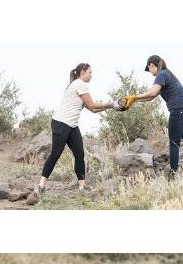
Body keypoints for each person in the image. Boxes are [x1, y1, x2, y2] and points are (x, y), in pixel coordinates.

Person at [122, 55, 183, 179]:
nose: (150, 72)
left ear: (151, 65)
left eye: (149, 69)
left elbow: (153, 92)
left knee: (174, 143)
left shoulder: (162, 74)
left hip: (179, 110)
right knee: (181, 134)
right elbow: (151, 97)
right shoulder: (167, 74)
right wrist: (134, 100)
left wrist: (133, 96)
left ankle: (173, 174)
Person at [38, 63, 121, 193]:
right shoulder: (80, 84)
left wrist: (111, 107)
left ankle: (82, 187)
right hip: (61, 123)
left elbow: (92, 110)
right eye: (90, 73)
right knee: (55, 153)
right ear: (83, 72)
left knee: (79, 154)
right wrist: (111, 104)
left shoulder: (79, 85)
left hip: (72, 125)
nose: (91, 75)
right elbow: (93, 105)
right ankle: (41, 185)